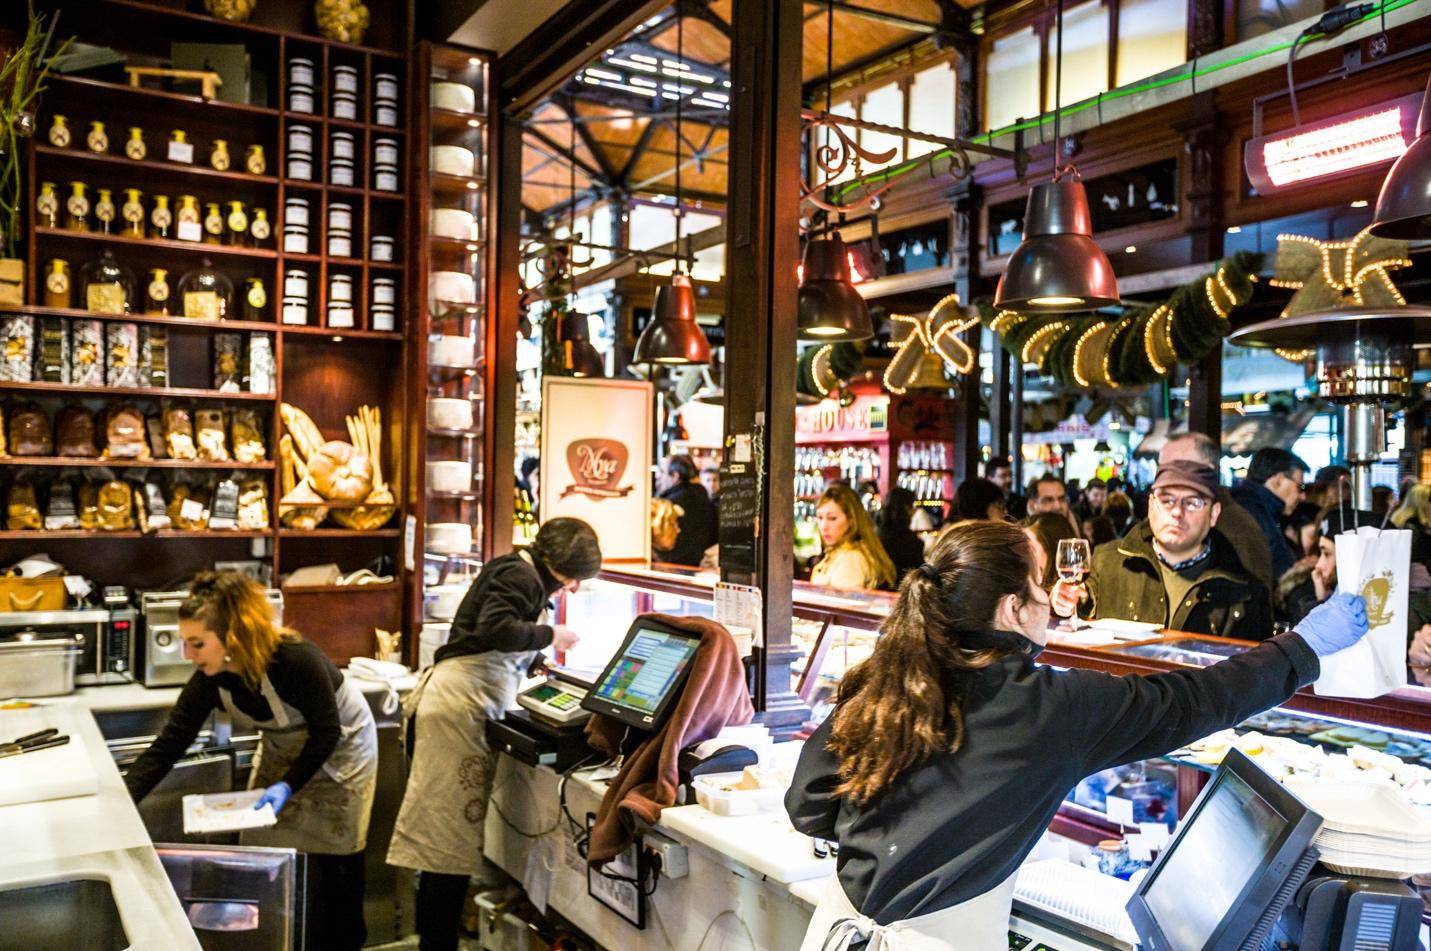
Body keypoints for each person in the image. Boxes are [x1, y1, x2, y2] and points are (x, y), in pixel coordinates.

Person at [787, 519, 1367, 949]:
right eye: (1039, 584)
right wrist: (1303, 647)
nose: (1049, 598)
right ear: (1013, 609)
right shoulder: (1049, 708)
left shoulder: (889, 676)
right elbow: (1196, 701)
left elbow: (808, 805)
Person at [125, 572, 378, 950]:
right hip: (284, 753)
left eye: (197, 644)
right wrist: (121, 803)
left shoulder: (296, 660)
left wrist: (287, 785)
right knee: (265, 860)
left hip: (342, 754)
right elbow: (169, 746)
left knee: (336, 870)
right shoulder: (210, 680)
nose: (187, 655)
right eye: (184, 643)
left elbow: (327, 733)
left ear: (233, 637)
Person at [388, 518, 602, 951]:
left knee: (443, 842)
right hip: (456, 708)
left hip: (457, 701)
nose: (573, 589)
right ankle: (436, 942)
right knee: (443, 843)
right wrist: (551, 634)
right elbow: (495, 629)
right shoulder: (521, 575)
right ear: (561, 569)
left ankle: (436, 940)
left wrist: (535, 659)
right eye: (575, 579)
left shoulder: (515, 568)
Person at [1077, 460, 1272, 639]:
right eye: (1167, 500)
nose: (1177, 511)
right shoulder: (1107, 562)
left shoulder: (1246, 593)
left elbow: (1253, 672)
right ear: (1151, 506)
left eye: (1192, 503)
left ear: (1213, 514)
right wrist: (1067, 602)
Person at [1158, 431, 1273, 593]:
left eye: (1179, 466)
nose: (1166, 476)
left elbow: (1254, 600)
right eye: (1162, 467)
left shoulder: (1238, 529)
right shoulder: (1153, 527)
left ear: (1209, 470)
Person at [1279, 507, 1378, 626]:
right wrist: (1321, 601)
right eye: (1320, 553)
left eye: (1327, 554)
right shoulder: (1309, 592)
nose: (1319, 565)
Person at [1230, 447, 1307, 581]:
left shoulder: (1254, 508)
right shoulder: (1255, 513)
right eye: (1300, 487)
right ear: (1279, 480)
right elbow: (1276, 571)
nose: (1302, 497)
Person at [811, 484, 897, 591]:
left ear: (851, 520)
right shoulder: (839, 552)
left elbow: (842, 605)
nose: (824, 526)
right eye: (820, 518)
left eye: (832, 518)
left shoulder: (851, 559)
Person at [654, 454, 716, 567]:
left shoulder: (670, 504)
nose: (658, 476)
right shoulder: (701, 495)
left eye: (662, 472)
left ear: (675, 476)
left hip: (672, 566)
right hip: (697, 565)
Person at [876, 487, 925, 581]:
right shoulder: (908, 540)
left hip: (880, 588)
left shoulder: (877, 532)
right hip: (900, 589)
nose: (914, 511)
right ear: (906, 508)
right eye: (912, 506)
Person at [1391, 483, 1431, 570]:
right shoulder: (1412, 527)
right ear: (1422, 502)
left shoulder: (1402, 521)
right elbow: (1416, 558)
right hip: (1417, 578)